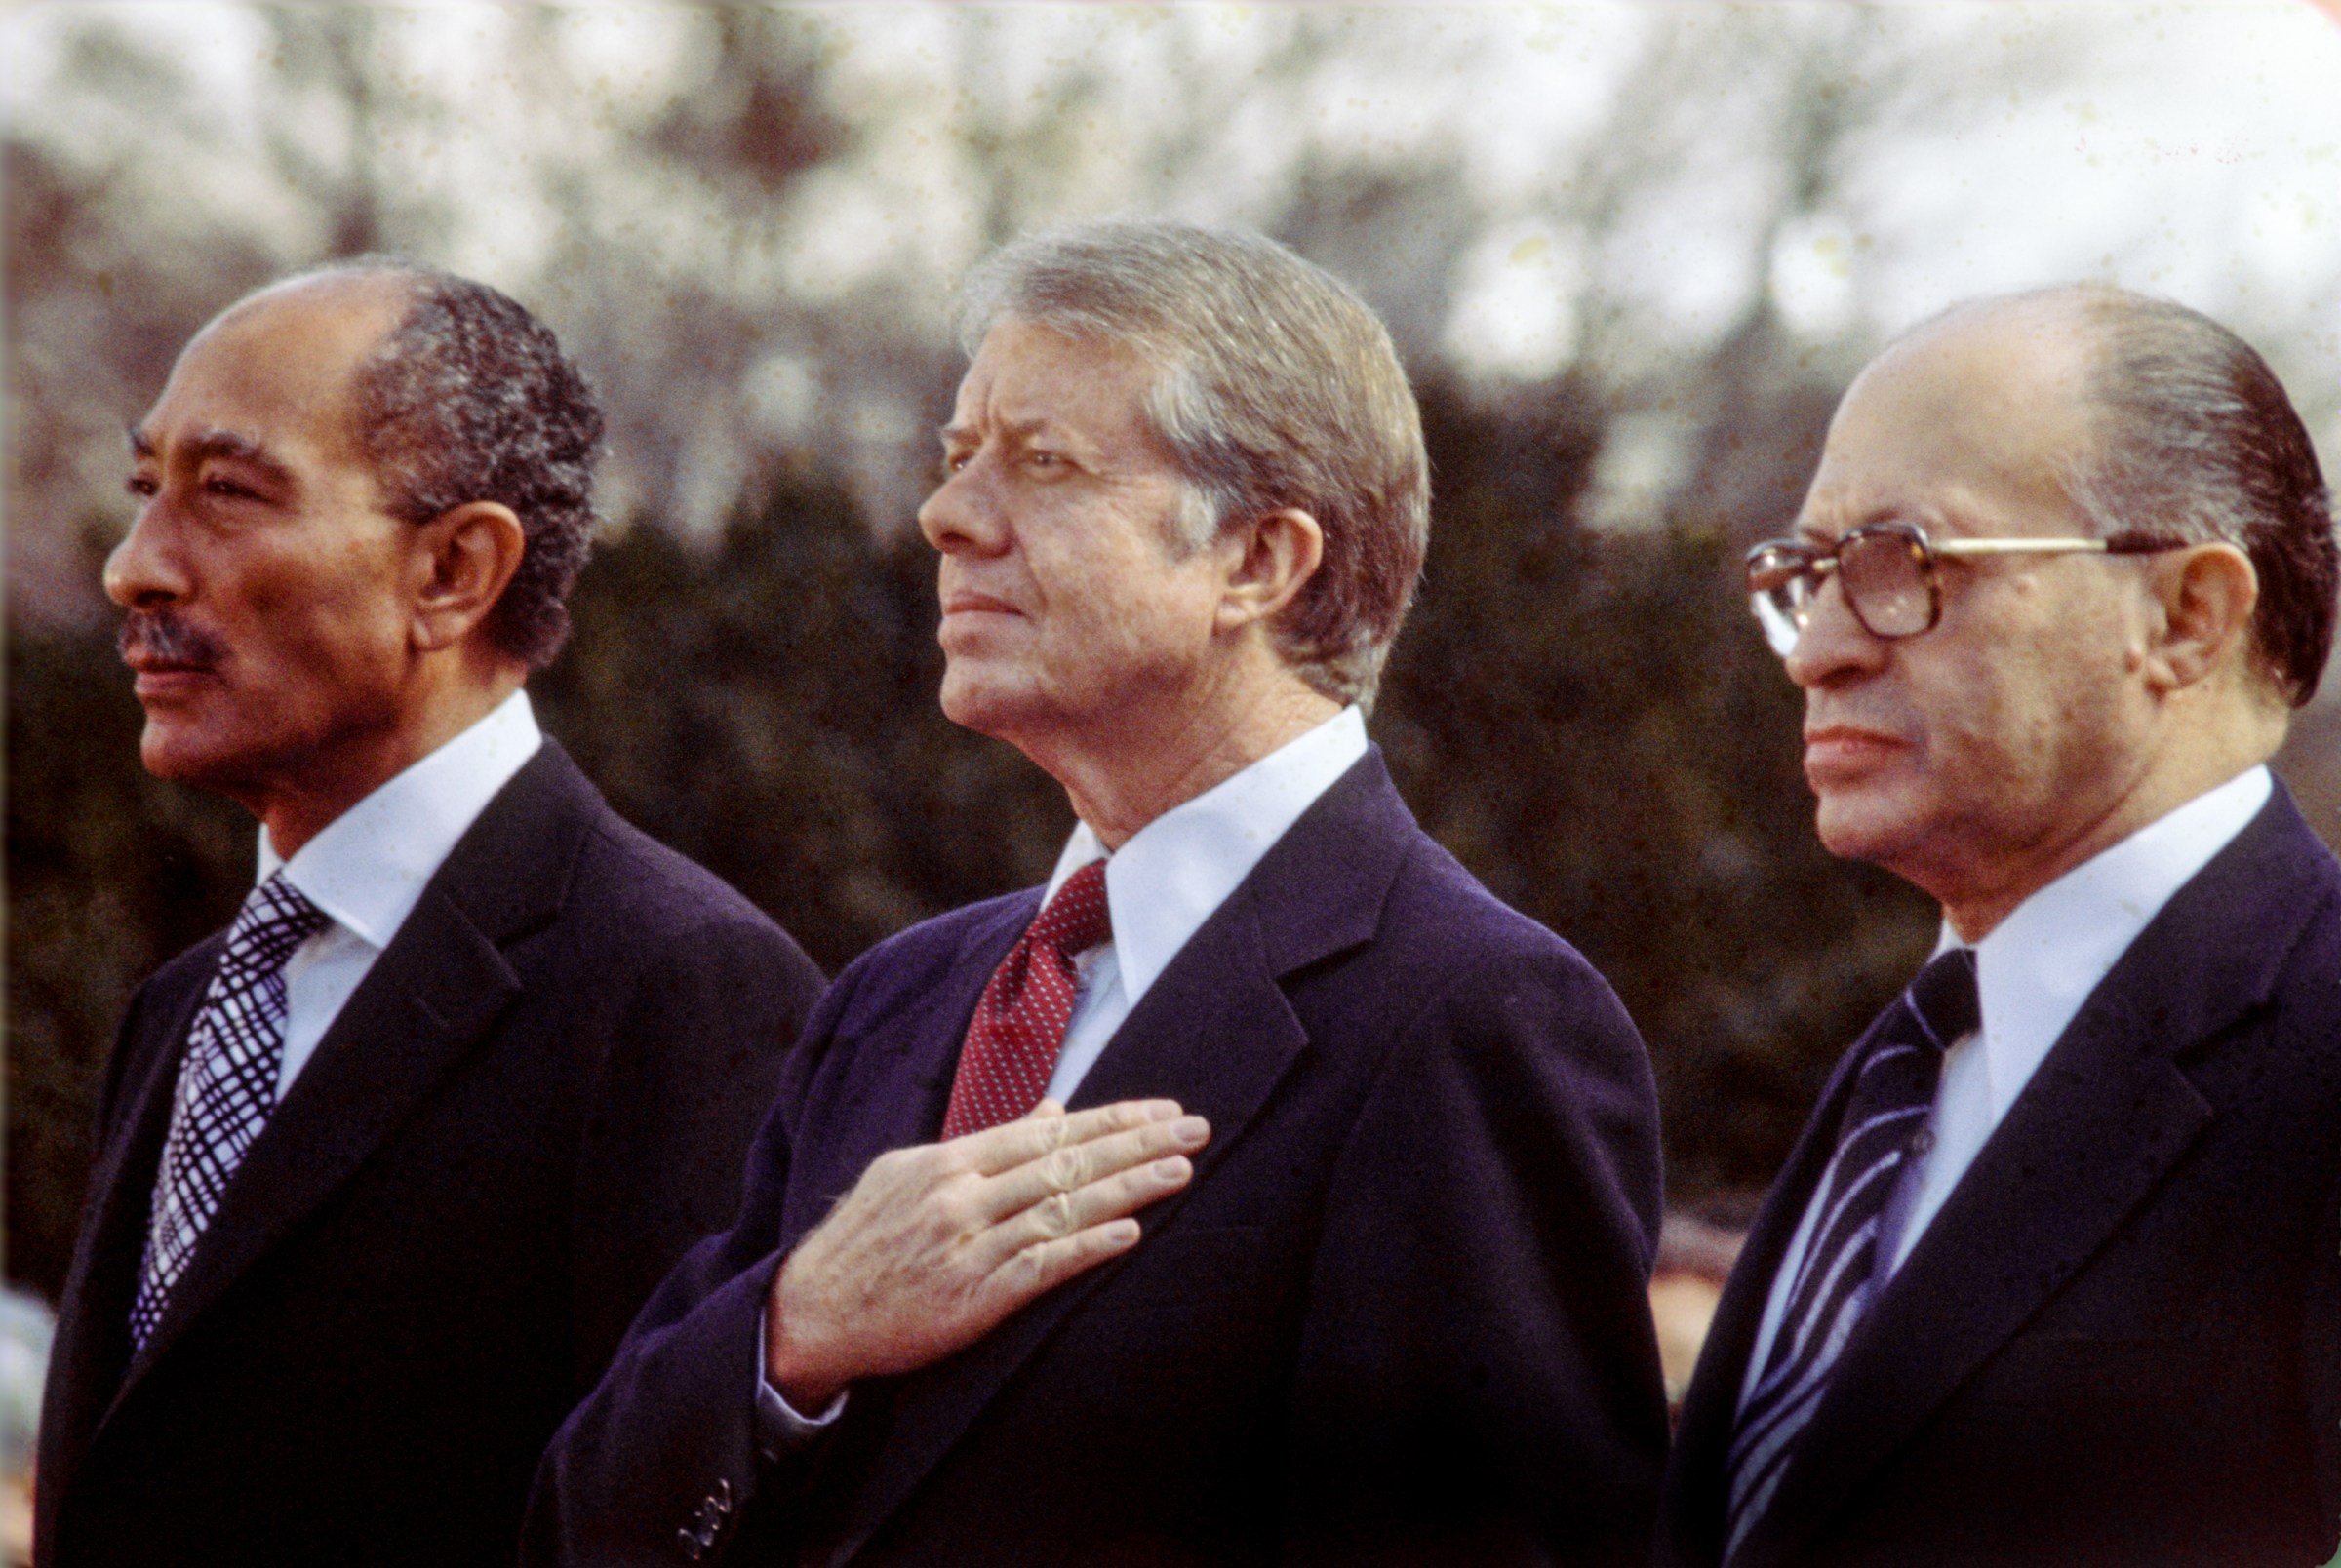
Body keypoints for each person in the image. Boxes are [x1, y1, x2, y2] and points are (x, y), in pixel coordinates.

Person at [528, 218, 1669, 1567]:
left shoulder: (1472, 1020)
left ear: (1258, 561)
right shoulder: (894, 1000)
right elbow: (578, 1532)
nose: (948, 517)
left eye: (1042, 464)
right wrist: (795, 1335)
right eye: (958, 462)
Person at [34, 261, 826, 1568]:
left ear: (454, 572)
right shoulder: (182, 1010)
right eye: (144, 491)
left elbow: (687, 1514)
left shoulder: (680, 988)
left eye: (225, 494)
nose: (134, 568)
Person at [1659, 286, 2341, 1567]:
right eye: (1806, 576)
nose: (1816, 650)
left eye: (1902, 566)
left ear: (2186, 617)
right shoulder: (1918, 1058)